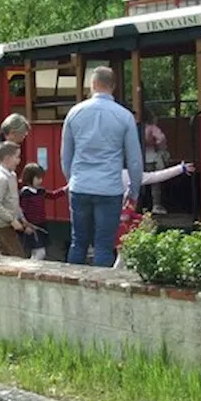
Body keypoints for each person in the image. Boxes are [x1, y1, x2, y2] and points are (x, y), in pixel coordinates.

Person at [61, 66, 143, 267]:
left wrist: (71, 181)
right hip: (110, 188)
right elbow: (134, 160)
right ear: (113, 87)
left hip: (80, 186)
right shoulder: (125, 117)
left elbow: (65, 156)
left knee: (78, 243)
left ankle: (71, 290)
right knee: (104, 247)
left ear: (93, 84)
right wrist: (133, 190)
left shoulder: (74, 113)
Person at [113, 162, 195, 269]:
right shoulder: (127, 174)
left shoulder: (98, 175)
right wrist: (180, 169)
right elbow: (154, 176)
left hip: (106, 218)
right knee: (125, 248)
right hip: (123, 219)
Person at [0, 141, 32, 258]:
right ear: (7, 158)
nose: (19, 161)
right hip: (3, 224)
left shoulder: (12, 175)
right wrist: (12, 220)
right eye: (17, 157)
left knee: (5, 256)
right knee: (18, 256)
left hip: (11, 223)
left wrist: (22, 218)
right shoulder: (1, 179)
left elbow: (14, 200)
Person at [18, 163, 66, 260]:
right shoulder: (25, 193)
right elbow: (22, 210)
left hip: (41, 224)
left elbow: (52, 195)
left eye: (41, 178)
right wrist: (25, 226)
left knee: (38, 251)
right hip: (32, 226)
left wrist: (64, 189)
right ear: (29, 177)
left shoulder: (41, 191)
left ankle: (31, 268)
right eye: (38, 178)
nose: (40, 180)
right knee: (40, 252)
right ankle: (31, 268)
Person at [142, 110, 170, 215]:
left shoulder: (138, 127)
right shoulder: (153, 128)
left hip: (140, 158)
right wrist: (158, 145)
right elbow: (161, 139)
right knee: (155, 183)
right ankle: (156, 205)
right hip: (152, 157)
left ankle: (140, 204)